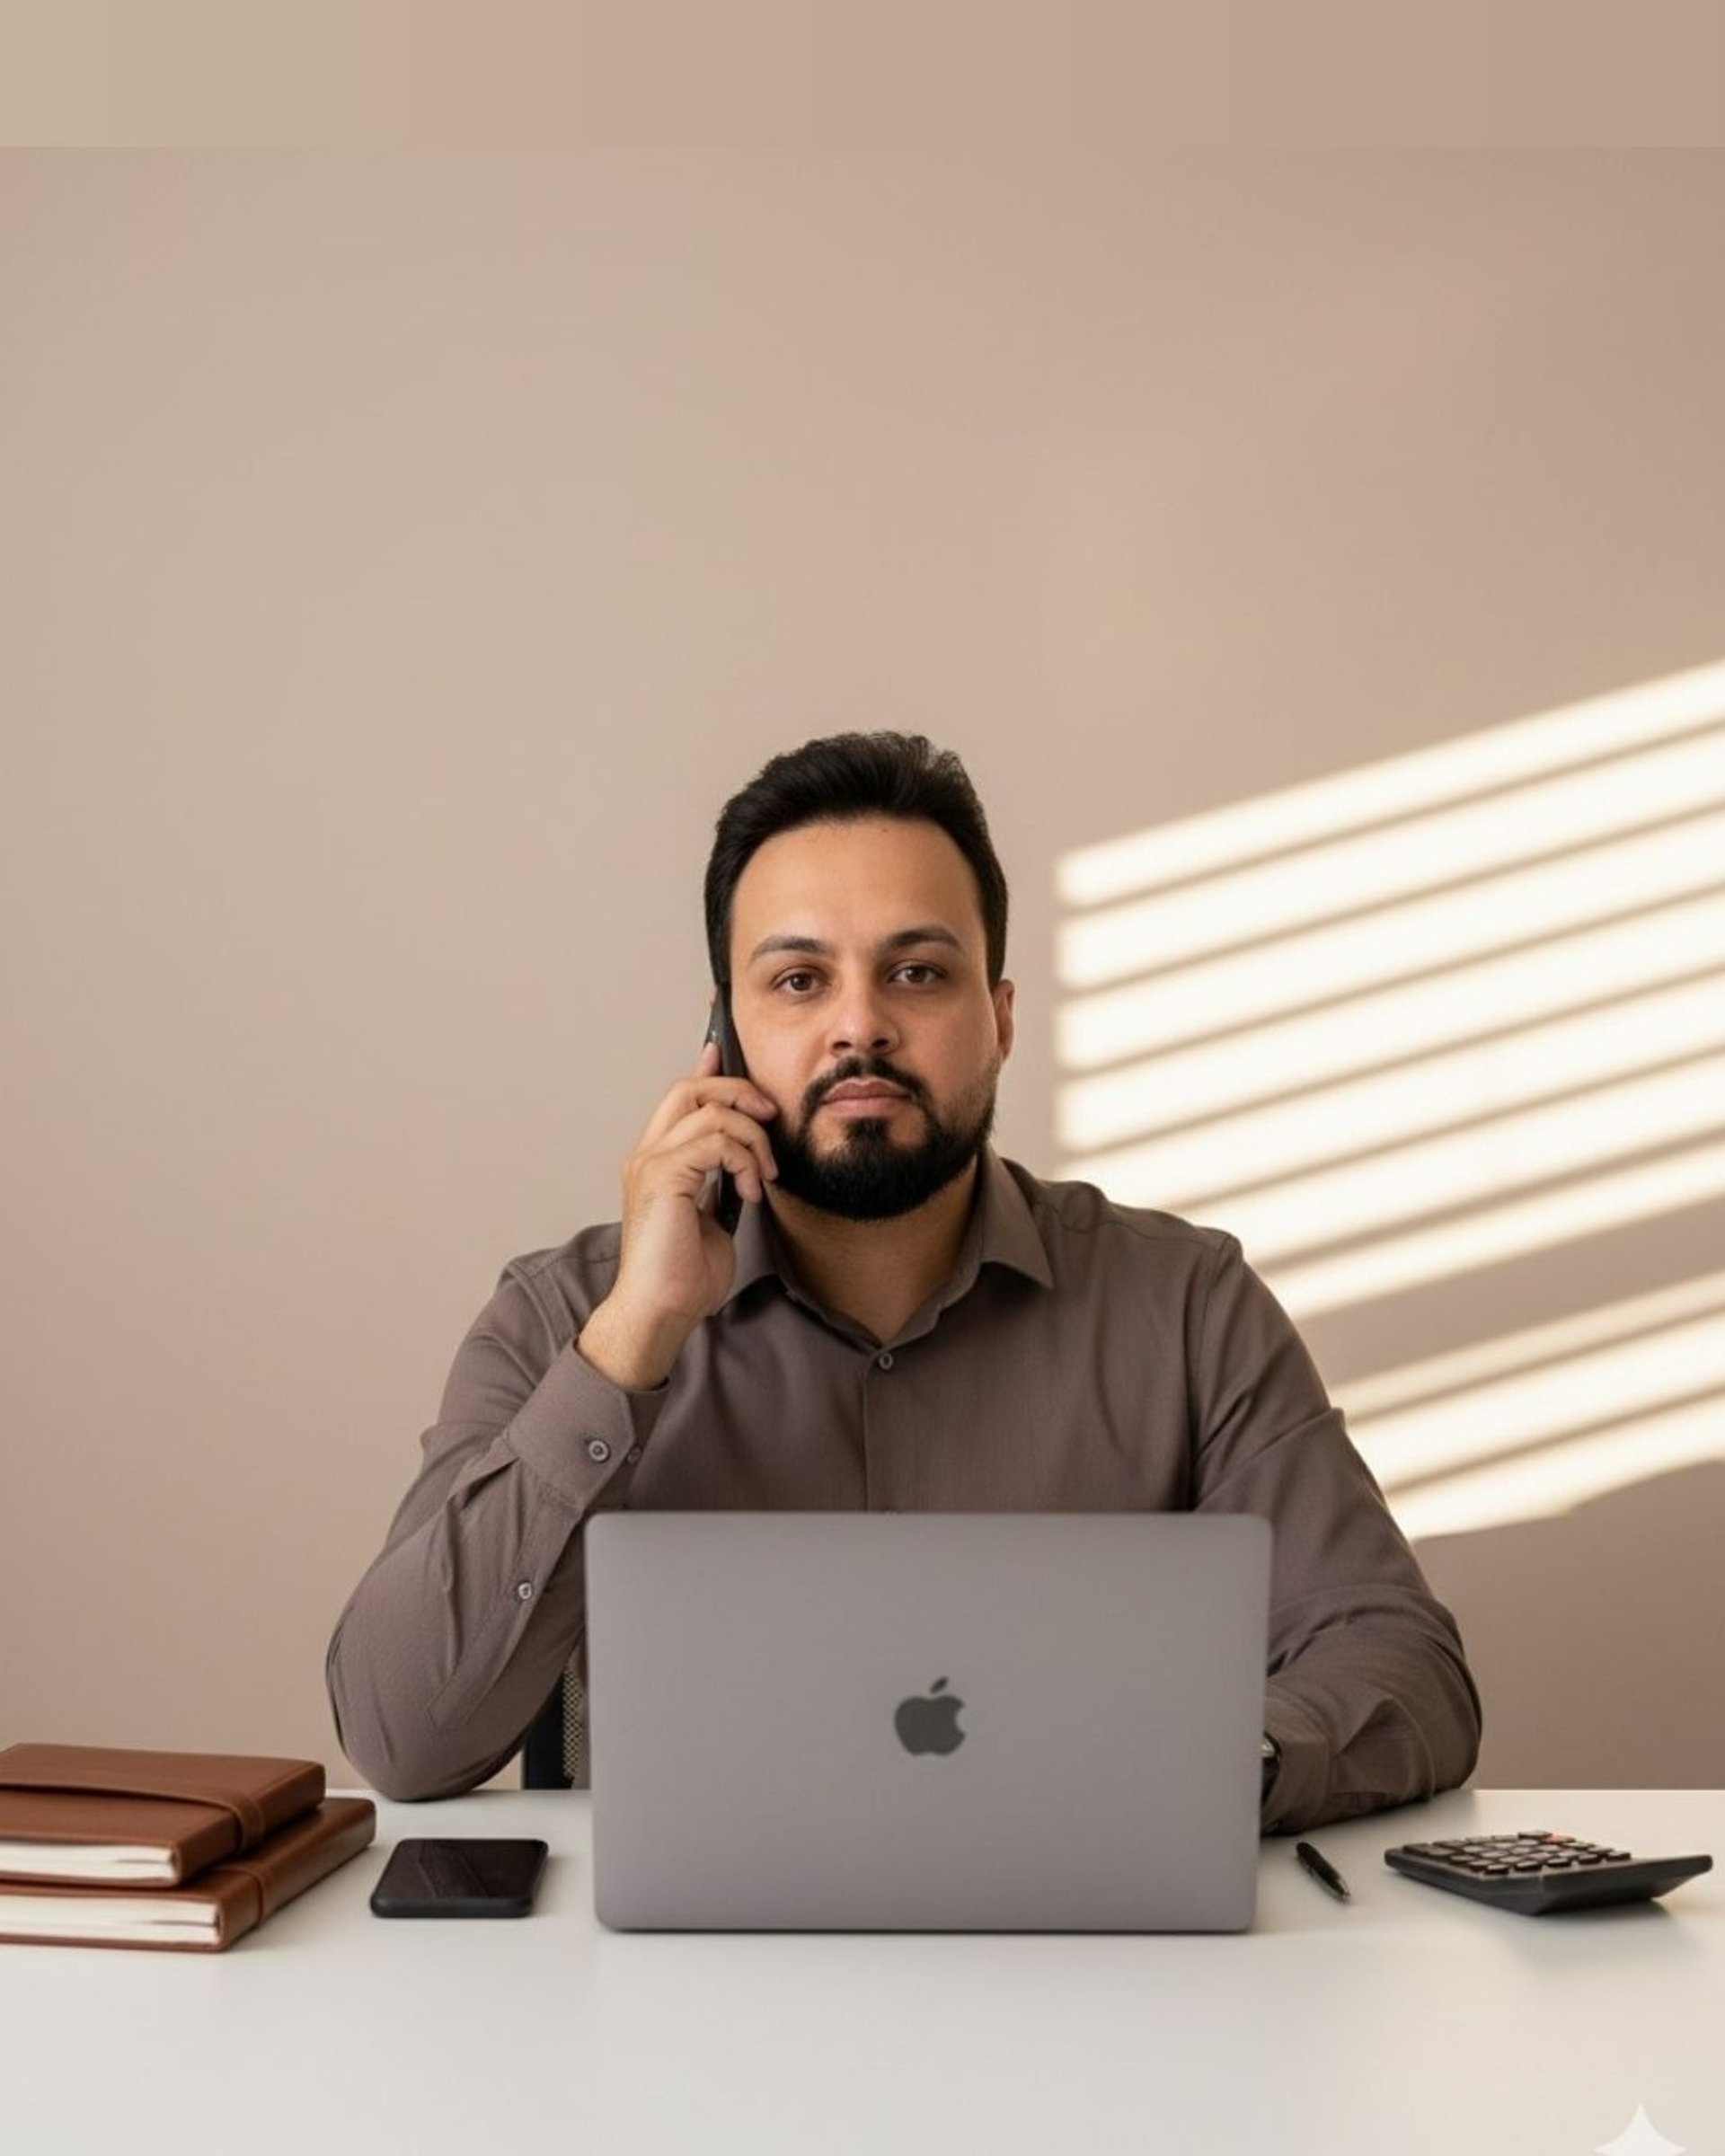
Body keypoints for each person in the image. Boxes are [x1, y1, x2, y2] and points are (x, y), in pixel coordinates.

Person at [326, 732, 1482, 1829]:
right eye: (798, 982)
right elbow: (402, 1734)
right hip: (669, 2002)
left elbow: (1401, 1668)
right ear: (721, 1038)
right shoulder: (565, 1315)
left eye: (918, 973)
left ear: (1002, 1020)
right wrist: (635, 1335)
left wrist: (1203, 1764)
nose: (860, 1029)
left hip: (1098, 1979)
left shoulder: (1185, 1306)